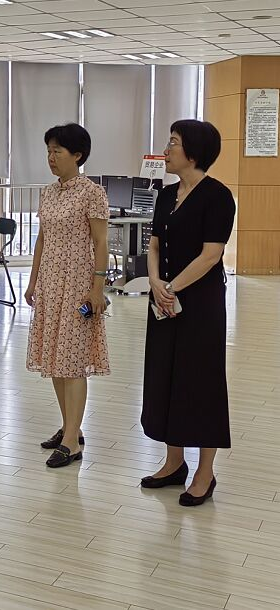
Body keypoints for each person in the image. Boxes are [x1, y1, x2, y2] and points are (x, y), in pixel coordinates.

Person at [140, 120, 234, 507]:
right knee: (165, 376)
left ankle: (205, 472)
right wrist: (154, 282)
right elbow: (154, 245)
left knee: (201, 380)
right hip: (164, 299)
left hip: (199, 303)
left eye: (173, 143)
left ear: (193, 153)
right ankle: (174, 462)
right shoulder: (166, 194)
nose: (166, 150)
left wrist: (172, 287)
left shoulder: (218, 197)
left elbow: (211, 255)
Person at [25, 123, 110, 468]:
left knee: (73, 362)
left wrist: (97, 288)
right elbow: (42, 239)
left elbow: (101, 242)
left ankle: (72, 442)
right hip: (50, 284)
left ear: (77, 155)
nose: (51, 157)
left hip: (78, 284)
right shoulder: (48, 193)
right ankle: (69, 428)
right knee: (55, 360)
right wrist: (33, 282)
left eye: (57, 151)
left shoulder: (92, 192)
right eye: (48, 151)